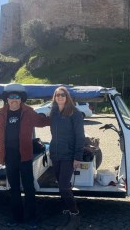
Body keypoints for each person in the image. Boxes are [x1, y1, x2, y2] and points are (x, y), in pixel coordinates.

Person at [0, 84, 50, 229]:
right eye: (11, 97)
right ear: (7, 99)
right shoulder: (1, 113)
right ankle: (16, 217)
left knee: (29, 188)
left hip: (25, 158)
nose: (14, 99)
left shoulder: (29, 112)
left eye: (17, 97)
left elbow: (42, 122)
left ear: (21, 99)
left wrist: (60, 116)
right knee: (13, 188)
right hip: (9, 158)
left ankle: (32, 218)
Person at [49, 86, 85, 230]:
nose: (60, 97)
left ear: (67, 96)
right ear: (55, 97)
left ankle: (75, 215)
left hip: (69, 156)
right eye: (57, 94)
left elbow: (80, 136)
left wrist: (77, 157)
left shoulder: (74, 113)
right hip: (56, 154)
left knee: (64, 186)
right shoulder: (54, 112)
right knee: (61, 185)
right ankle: (68, 212)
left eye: (63, 94)